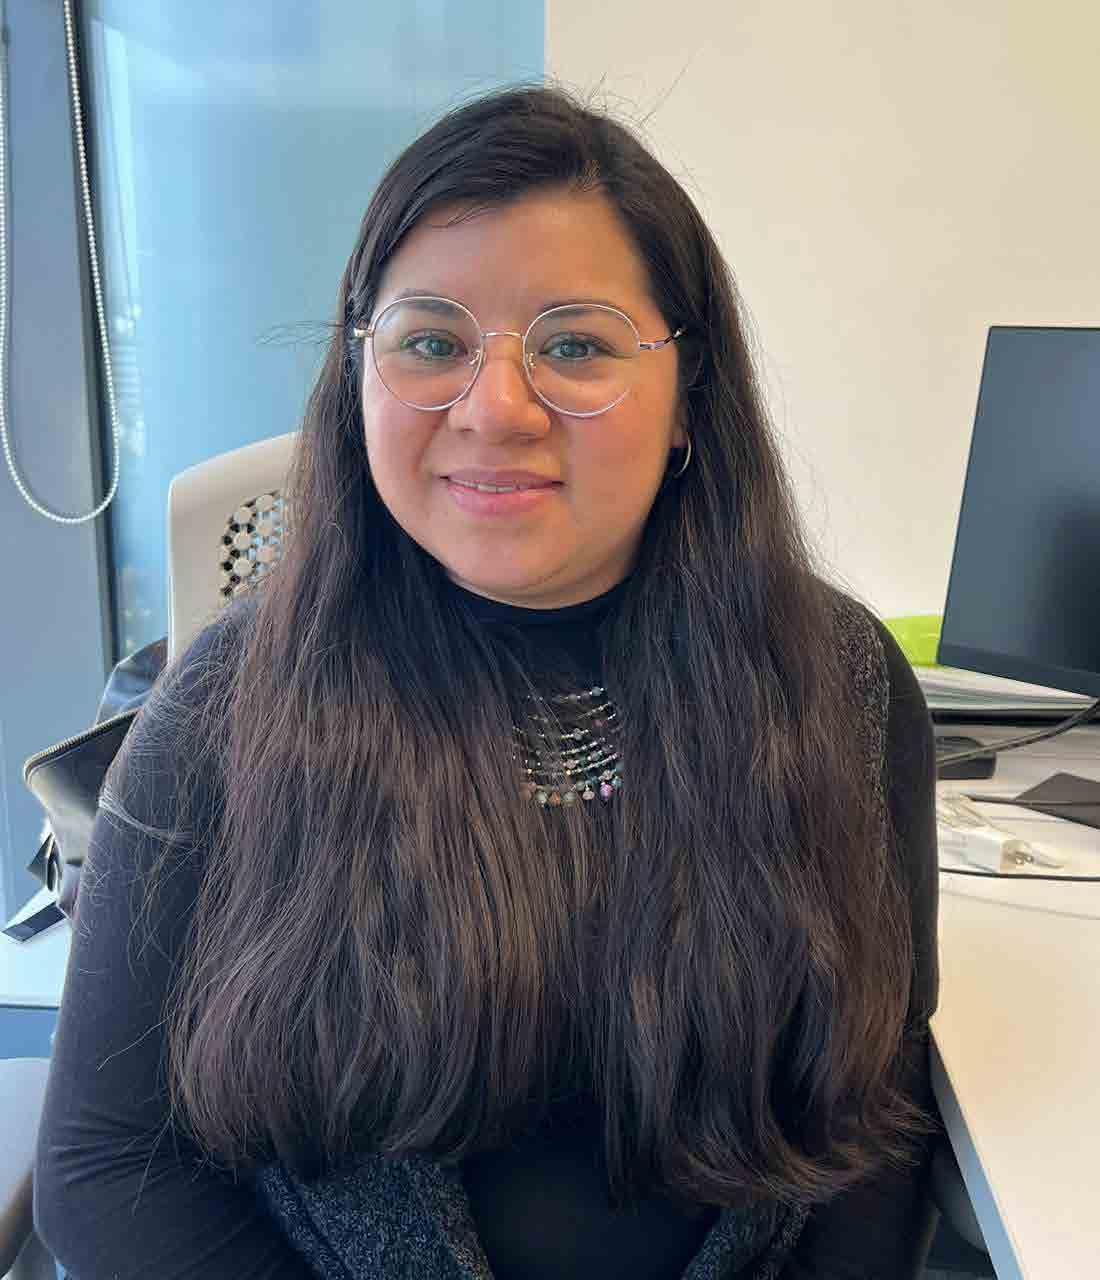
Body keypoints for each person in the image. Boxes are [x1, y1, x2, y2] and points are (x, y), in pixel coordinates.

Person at [34, 84, 940, 1279]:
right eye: (430, 343)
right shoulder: (229, 705)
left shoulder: (837, 681)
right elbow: (105, 1165)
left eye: (575, 344)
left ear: (687, 399)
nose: (495, 408)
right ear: (359, 377)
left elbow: (876, 1111)